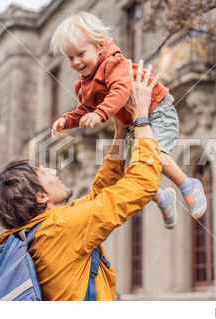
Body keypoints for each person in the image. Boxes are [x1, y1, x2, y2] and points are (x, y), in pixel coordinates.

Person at [0, 65, 161, 301]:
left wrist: (120, 132)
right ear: (41, 196)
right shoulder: (63, 228)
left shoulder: (39, 232)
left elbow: (100, 194)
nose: (52, 170)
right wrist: (142, 115)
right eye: (43, 172)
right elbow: (143, 183)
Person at [50, 11, 207, 229]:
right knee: (134, 170)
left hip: (157, 110)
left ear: (100, 44)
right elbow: (84, 109)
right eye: (70, 57)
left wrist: (100, 114)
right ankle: (163, 199)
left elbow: (121, 91)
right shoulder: (83, 84)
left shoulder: (114, 63)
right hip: (134, 124)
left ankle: (189, 184)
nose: (76, 62)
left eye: (80, 54)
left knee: (153, 154)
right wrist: (67, 120)